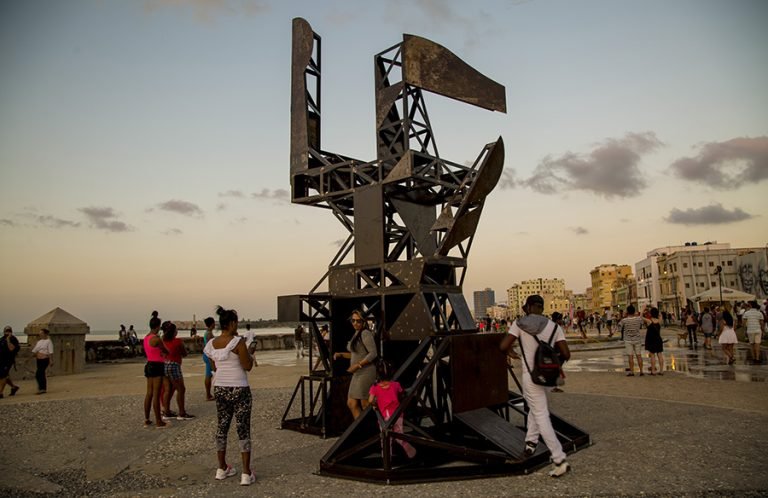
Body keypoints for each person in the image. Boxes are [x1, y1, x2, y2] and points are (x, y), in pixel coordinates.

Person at [500, 295, 571, 478]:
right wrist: (552, 366)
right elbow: (565, 353)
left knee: (540, 415)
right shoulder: (554, 326)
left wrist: (512, 352)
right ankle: (530, 445)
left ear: (529, 307)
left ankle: (559, 458)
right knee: (536, 409)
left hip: (530, 376)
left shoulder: (520, 323)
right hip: (547, 378)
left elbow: (503, 346)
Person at [203, 305, 255, 486]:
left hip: (220, 388)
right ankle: (246, 473)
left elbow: (215, 366)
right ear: (231, 323)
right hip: (239, 387)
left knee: (222, 426)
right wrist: (249, 353)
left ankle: (221, 468)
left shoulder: (211, 344)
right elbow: (247, 365)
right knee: (243, 428)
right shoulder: (238, 342)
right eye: (236, 323)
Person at [333, 310, 378, 419]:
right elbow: (356, 354)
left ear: (363, 322)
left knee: (365, 404)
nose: (355, 323)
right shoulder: (356, 333)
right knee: (351, 403)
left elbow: (373, 353)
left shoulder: (365, 333)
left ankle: (370, 430)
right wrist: (341, 354)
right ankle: (360, 430)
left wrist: (357, 365)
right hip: (357, 374)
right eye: (353, 320)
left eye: (358, 321)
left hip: (365, 372)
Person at [368, 360, 416, 459]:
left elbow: (370, 400)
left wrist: (375, 405)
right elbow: (402, 393)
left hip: (385, 416)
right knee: (399, 434)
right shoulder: (396, 384)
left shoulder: (375, 387)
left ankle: (386, 458)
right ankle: (406, 447)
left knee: (385, 438)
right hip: (397, 413)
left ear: (377, 374)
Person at [161, 321, 194, 420]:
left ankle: (166, 411)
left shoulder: (162, 341)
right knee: (181, 389)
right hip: (174, 365)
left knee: (168, 389)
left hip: (164, 365)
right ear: (174, 332)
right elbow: (184, 354)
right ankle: (182, 412)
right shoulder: (178, 341)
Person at [143, 311, 169, 428]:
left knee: (149, 393)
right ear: (158, 326)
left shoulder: (146, 338)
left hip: (149, 364)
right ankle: (159, 421)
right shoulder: (156, 339)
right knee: (156, 394)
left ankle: (147, 419)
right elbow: (166, 350)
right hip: (157, 366)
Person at [619, 304, 644, 376]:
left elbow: (619, 327)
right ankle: (641, 371)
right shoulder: (638, 319)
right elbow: (641, 322)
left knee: (630, 356)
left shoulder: (624, 320)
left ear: (627, 312)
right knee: (639, 355)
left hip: (628, 340)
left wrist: (623, 315)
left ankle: (632, 371)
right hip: (637, 339)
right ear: (634, 311)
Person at [31, 328, 54, 394]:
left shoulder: (48, 341)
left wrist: (51, 360)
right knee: (40, 374)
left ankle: (42, 388)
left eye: (42, 333)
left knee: (39, 373)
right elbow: (35, 351)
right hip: (39, 359)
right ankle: (41, 387)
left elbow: (50, 352)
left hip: (45, 359)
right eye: (40, 333)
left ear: (45, 334)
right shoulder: (39, 342)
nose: (40, 334)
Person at [0, 326, 21, 399]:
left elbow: (12, 349)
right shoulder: (2, 339)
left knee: (3, 375)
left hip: (8, 360)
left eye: (9, 331)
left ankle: (1, 392)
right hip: (1, 360)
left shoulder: (13, 339)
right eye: (6, 331)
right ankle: (14, 387)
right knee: (5, 375)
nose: (7, 332)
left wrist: (8, 339)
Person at [643, 308, 664, 375]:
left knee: (652, 355)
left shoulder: (649, 321)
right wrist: (654, 307)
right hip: (658, 339)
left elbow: (640, 317)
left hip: (651, 340)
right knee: (660, 355)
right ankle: (661, 371)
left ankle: (653, 371)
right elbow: (660, 314)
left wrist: (643, 309)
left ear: (651, 313)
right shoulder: (660, 320)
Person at [203, 316, 216, 401]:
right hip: (208, 356)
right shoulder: (209, 334)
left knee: (210, 375)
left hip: (207, 355)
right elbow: (211, 346)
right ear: (212, 324)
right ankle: (208, 394)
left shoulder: (207, 333)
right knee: (208, 375)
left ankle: (209, 394)